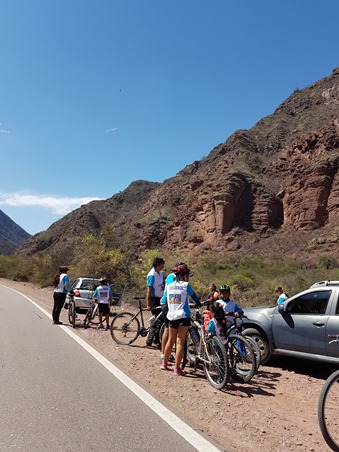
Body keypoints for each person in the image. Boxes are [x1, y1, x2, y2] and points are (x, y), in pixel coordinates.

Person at [161, 263, 200, 375]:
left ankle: (164, 363)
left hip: (172, 316)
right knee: (180, 342)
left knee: (170, 340)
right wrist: (198, 303)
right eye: (187, 275)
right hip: (183, 316)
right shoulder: (185, 285)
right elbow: (194, 297)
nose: (188, 277)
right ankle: (177, 368)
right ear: (182, 275)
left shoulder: (170, 285)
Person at [146, 257, 165, 346]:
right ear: (158, 265)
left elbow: (163, 284)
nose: (163, 267)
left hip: (160, 299)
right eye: (162, 265)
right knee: (159, 319)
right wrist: (148, 303)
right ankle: (156, 340)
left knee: (156, 319)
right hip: (154, 299)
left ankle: (150, 340)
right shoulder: (151, 275)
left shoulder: (160, 274)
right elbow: (149, 289)